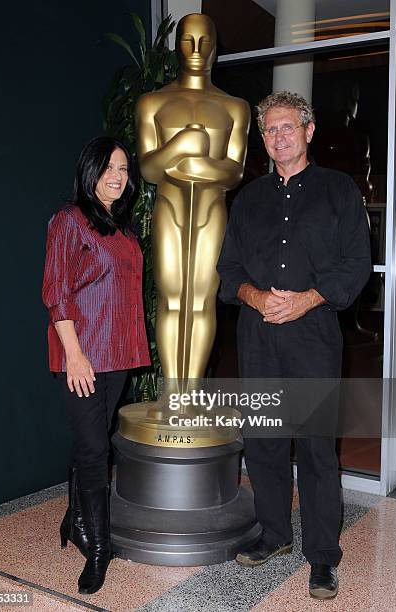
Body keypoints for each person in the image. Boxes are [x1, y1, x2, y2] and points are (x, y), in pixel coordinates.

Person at [217, 92, 371, 600]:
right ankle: (275, 535)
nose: (278, 137)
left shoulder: (339, 191)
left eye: (287, 127)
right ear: (262, 139)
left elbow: (355, 266)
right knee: (263, 442)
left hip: (313, 336)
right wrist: (257, 296)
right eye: (269, 130)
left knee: (317, 449)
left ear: (308, 132)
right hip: (257, 337)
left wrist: (306, 299)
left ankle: (323, 557)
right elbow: (228, 272)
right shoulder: (247, 199)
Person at [42, 136, 150, 594]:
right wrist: (75, 354)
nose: (117, 176)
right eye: (108, 167)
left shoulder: (124, 232)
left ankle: (73, 517)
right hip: (83, 354)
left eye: (124, 169)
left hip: (120, 353)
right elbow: (56, 291)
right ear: (90, 171)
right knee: (93, 450)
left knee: (94, 442)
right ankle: (99, 548)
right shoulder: (69, 220)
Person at [135, 13, 250, 384]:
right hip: (169, 208)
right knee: (171, 298)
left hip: (211, 210)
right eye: (188, 41)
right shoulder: (152, 102)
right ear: (177, 46)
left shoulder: (234, 107)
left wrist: (191, 163)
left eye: (204, 41)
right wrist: (182, 144)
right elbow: (149, 168)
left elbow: (234, 173)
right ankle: (172, 391)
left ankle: (191, 392)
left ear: (215, 46)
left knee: (202, 300)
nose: (197, 49)